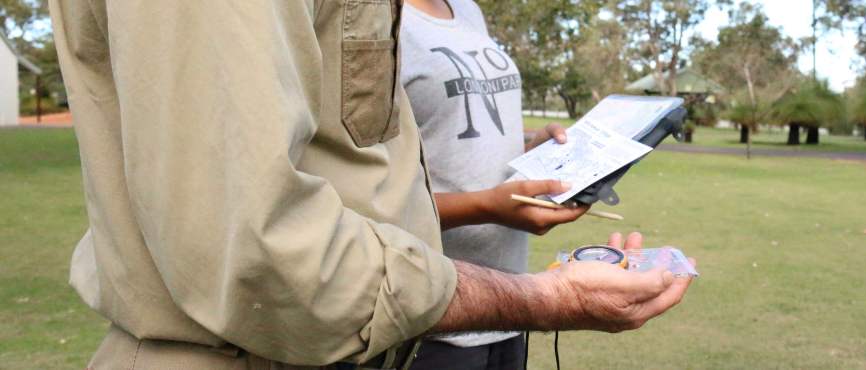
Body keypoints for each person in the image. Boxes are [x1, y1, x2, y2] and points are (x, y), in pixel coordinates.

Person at [50, 1, 696, 369]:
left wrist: (531, 151)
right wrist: (547, 299)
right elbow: (265, 249)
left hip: (409, 329)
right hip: (319, 339)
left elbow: (363, 150)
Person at [399, 0, 587, 368]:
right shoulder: (367, 17)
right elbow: (363, 204)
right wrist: (487, 206)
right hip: (428, 321)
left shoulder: (466, 10)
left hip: (509, 305)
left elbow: (458, 139)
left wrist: (531, 148)